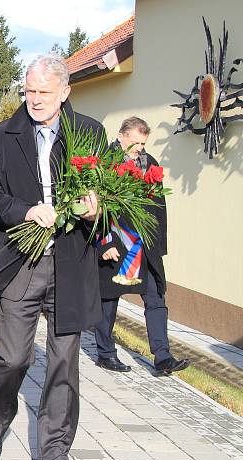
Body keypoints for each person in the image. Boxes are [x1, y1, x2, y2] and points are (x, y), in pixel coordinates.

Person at [0, 55, 104, 460]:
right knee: (14, 359)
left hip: (71, 263)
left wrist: (98, 204)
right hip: (21, 264)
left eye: (44, 92)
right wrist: (24, 211)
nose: (35, 99)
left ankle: (55, 456)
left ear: (65, 91)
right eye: (29, 90)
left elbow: (115, 187)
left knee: (64, 363)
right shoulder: (2, 137)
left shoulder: (91, 134)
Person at [94, 117, 190, 376]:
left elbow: (160, 208)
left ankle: (163, 357)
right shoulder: (105, 164)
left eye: (143, 143)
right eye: (135, 143)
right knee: (109, 300)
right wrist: (104, 243)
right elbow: (94, 209)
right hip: (117, 242)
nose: (139, 149)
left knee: (156, 297)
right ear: (121, 136)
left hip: (145, 247)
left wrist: (159, 245)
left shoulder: (151, 165)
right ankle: (105, 353)